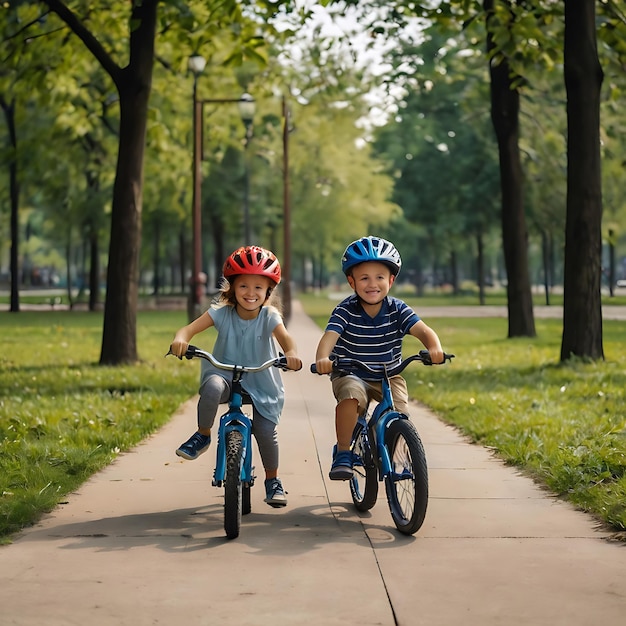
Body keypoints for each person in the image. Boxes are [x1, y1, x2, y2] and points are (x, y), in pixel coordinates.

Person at [169, 245, 302, 507]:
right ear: (232, 287)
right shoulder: (221, 312)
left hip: (261, 380)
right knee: (212, 387)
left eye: (258, 287)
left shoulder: (269, 316)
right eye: (243, 286)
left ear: (268, 292)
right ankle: (203, 434)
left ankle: (272, 480)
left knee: (265, 431)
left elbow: (287, 341)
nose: (250, 293)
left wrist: (292, 354)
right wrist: (180, 339)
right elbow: (188, 329)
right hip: (225, 376)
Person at [314, 235, 445, 480]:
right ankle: (343, 451)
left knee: (399, 412)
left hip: (389, 373)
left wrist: (434, 347)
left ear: (391, 280)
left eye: (379, 277)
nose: (372, 284)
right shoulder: (345, 310)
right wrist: (323, 358)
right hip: (351, 372)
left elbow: (423, 331)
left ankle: (387, 447)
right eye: (364, 278)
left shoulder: (398, 309)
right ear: (351, 281)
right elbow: (330, 336)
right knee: (351, 396)